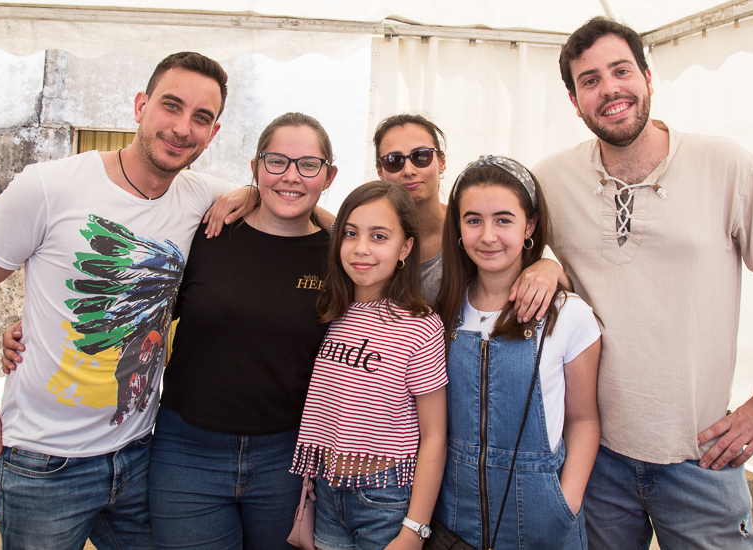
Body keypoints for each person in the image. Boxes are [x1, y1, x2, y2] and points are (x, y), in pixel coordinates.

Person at [531, 17, 753, 548]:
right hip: (594, 460)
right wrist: (548, 263)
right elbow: (498, 242)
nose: (610, 89)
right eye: (590, 80)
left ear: (647, 76)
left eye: (621, 71)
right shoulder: (549, 181)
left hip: (702, 458)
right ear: (574, 100)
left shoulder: (725, 164)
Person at [0, 52, 235, 550]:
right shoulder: (48, 186)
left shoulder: (200, 195)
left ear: (213, 133)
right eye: (171, 106)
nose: (182, 127)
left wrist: (250, 195)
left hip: (141, 453)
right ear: (141, 105)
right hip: (41, 461)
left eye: (201, 118)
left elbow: (287, 198)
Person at [148, 112, 337, 550]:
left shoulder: (340, 259)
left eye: (308, 165)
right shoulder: (209, 234)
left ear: (328, 176)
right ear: (255, 168)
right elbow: (143, 308)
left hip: (286, 455)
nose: (291, 176)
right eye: (276, 162)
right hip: (187, 452)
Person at [433, 156, 602, 549]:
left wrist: (566, 504)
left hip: (543, 525)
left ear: (530, 225)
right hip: (452, 524)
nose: (488, 235)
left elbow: (583, 419)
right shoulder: (443, 311)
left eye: (503, 220)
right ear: (457, 227)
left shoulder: (568, 314)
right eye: (473, 220)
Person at [291, 181, 447, 550]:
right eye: (350, 234)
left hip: (384, 501)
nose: (361, 249)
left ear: (405, 247)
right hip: (326, 495)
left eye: (379, 236)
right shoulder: (333, 313)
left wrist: (414, 529)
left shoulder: (421, 327)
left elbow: (434, 436)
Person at [370, 114, 568, 319]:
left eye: (421, 156)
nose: (409, 170)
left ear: (442, 162)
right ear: (379, 170)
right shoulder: (368, 236)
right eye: (393, 161)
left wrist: (550, 268)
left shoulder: (475, 232)